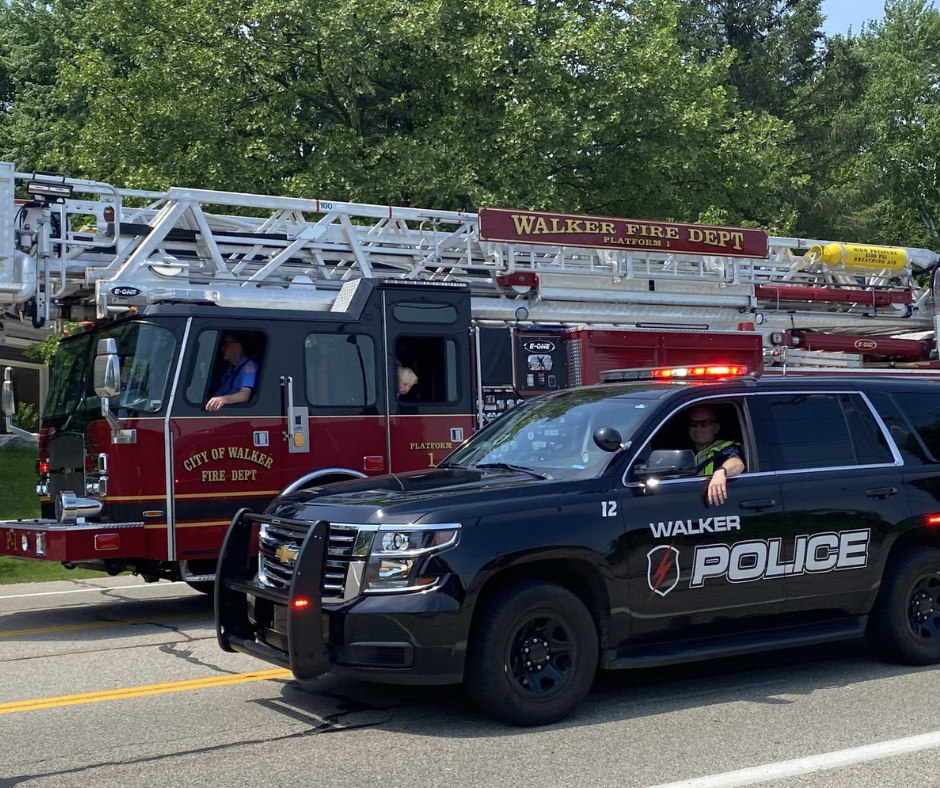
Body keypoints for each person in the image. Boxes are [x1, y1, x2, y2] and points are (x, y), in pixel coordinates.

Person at [686, 405, 744, 506]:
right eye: (693, 423)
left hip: (713, 505)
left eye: (705, 423)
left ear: (716, 428)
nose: (698, 428)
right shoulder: (682, 452)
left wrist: (721, 472)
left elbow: (737, 463)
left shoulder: (724, 448)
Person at [206, 334, 258, 411]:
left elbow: (244, 395)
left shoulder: (249, 367)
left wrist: (223, 400)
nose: (222, 348)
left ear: (238, 345)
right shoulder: (231, 369)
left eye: (226, 345)